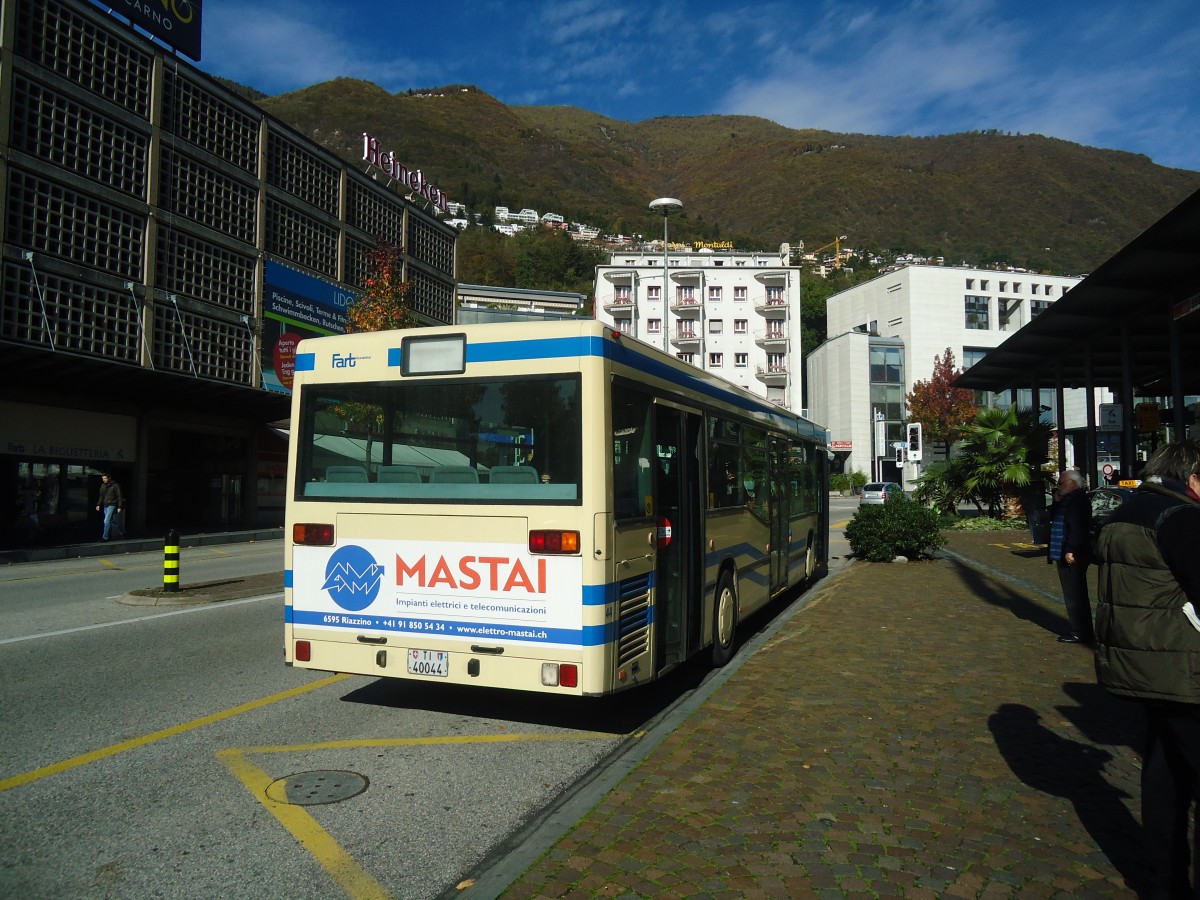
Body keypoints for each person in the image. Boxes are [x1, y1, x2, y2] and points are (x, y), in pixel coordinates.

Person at [1094, 439, 1200, 898]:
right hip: (1184, 667)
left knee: (1165, 776)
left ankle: (1165, 882)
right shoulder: (1182, 519)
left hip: (1142, 666)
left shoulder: (1126, 513)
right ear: (1193, 478)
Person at [1047, 468, 1094, 644]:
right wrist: (1057, 501)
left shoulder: (1078, 500)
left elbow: (1077, 527)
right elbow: (1054, 517)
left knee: (1075, 595)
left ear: (1072, 483)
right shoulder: (1068, 500)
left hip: (1073, 554)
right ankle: (1081, 630)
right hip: (1065, 552)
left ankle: (1079, 632)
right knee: (1074, 594)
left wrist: (1070, 549)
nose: (1058, 487)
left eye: (1061, 483)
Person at [95, 472, 124, 541]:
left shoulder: (115, 485)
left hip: (112, 504)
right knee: (110, 521)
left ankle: (105, 537)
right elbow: (101, 496)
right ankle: (121, 533)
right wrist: (98, 504)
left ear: (109, 478)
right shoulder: (103, 486)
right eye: (103, 478)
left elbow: (119, 496)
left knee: (106, 521)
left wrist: (120, 506)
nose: (104, 480)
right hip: (106, 505)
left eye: (105, 478)